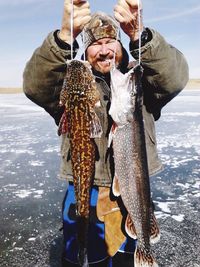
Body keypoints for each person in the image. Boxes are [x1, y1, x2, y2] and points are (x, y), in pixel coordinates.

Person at [23, 0, 189, 266]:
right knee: (82, 257)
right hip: (84, 188)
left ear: (119, 45)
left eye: (109, 42)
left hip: (133, 187)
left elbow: (174, 78)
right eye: (95, 44)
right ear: (86, 50)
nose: (103, 50)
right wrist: (65, 36)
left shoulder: (140, 80)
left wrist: (139, 35)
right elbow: (35, 85)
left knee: (125, 256)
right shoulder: (73, 86)